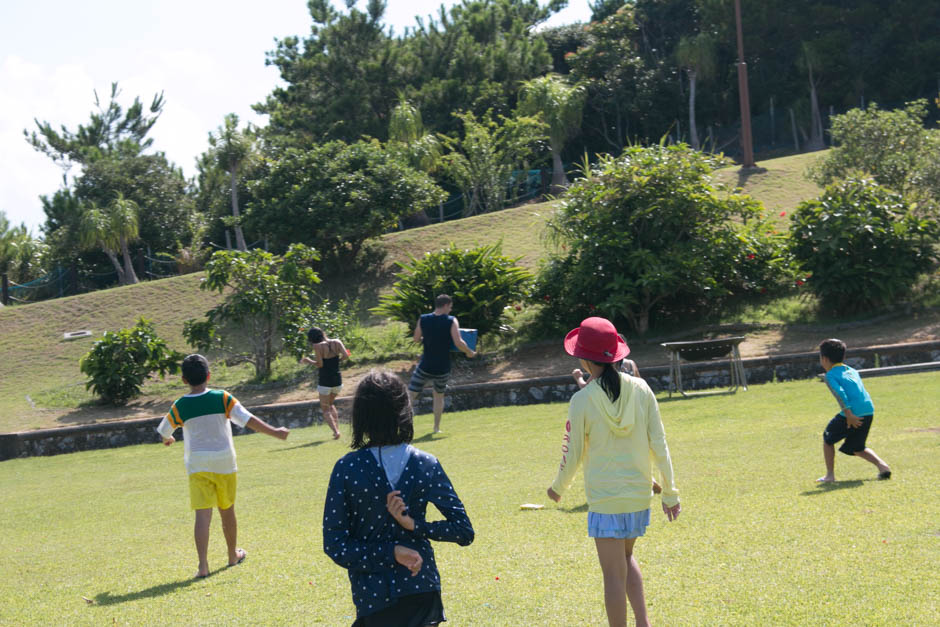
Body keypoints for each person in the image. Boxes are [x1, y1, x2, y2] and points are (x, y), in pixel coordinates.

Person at [547, 317, 680, 627]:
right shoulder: (642, 389)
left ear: (583, 358)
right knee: (625, 559)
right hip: (637, 497)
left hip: (606, 501)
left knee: (612, 575)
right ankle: (643, 623)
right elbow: (660, 445)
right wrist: (670, 492)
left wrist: (558, 487)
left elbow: (572, 452)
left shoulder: (581, 400)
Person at [323, 370, 474, 626]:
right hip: (420, 592)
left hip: (376, 598)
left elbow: (335, 544)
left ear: (360, 415)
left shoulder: (347, 468)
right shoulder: (425, 463)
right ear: (404, 409)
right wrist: (397, 548)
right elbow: (462, 530)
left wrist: (412, 526)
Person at [156, 354, 290, 579]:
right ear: (209, 376)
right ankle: (231, 556)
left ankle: (203, 566)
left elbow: (164, 431)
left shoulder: (180, 405)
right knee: (227, 510)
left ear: (184, 380)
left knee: (202, 515)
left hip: (198, 465)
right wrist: (275, 432)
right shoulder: (223, 398)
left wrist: (167, 440)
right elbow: (248, 419)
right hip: (225, 463)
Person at [816, 338, 892, 483]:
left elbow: (840, 394)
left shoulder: (830, 375)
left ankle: (829, 476)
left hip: (851, 413)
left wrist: (849, 414)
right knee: (857, 447)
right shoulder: (852, 370)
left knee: (828, 439)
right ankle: (883, 466)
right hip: (868, 410)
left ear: (824, 358)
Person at [408, 294, 476, 433]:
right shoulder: (451, 320)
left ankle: (400, 425)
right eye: (450, 307)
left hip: (425, 365)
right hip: (442, 367)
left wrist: (427, 338)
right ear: (445, 305)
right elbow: (458, 342)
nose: (450, 310)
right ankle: (436, 428)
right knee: (438, 396)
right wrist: (469, 352)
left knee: (411, 395)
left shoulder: (423, 318)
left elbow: (415, 338)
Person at [301, 327, 349, 439]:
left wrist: (308, 361)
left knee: (325, 409)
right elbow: (346, 356)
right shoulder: (337, 341)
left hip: (325, 381)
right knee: (331, 404)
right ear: (322, 333)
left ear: (311, 338)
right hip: (337, 380)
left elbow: (320, 364)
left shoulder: (317, 346)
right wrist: (336, 362)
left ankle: (336, 432)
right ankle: (336, 430)